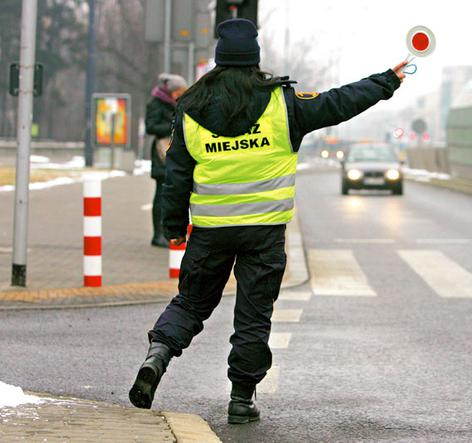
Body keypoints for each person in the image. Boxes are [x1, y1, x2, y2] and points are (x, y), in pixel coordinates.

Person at [129, 18, 407, 424]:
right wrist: (386, 81)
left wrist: (173, 227)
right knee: (253, 316)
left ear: (219, 59)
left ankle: (158, 356)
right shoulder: (283, 103)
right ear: (255, 59)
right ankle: (241, 399)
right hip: (263, 233)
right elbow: (338, 102)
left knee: (190, 303)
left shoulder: (191, 106)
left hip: (211, 232)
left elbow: (177, 174)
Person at [146, 73, 188, 247]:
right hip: (161, 153)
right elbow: (151, 127)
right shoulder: (156, 104)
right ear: (171, 91)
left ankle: (169, 233)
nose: (181, 94)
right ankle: (158, 235)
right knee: (161, 195)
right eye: (179, 91)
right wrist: (174, 125)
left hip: (173, 152)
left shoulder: (176, 103)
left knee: (170, 194)